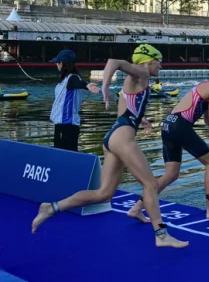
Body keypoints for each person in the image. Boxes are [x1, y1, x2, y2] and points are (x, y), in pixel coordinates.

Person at [32, 44, 188, 249]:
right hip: (122, 138)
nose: (161, 65)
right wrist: (105, 86)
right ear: (148, 60)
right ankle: (161, 234)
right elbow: (114, 62)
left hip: (113, 136)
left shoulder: (135, 81)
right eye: (159, 61)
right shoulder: (141, 72)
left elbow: (126, 109)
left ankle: (51, 208)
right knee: (150, 184)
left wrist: (141, 120)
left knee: (104, 194)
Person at [127, 59, 209, 221]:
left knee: (171, 174)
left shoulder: (204, 86)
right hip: (180, 127)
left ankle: (137, 208)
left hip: (168, 125)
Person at [49, 49, 100, 152]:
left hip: (67, 125)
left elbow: (78, 82)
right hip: (61, 124)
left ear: (61, 63)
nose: (56, 65)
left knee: (65, 155)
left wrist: (87, 85)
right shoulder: (65, 80)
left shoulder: (72, 78)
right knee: (61, 154)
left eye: (57, 63)